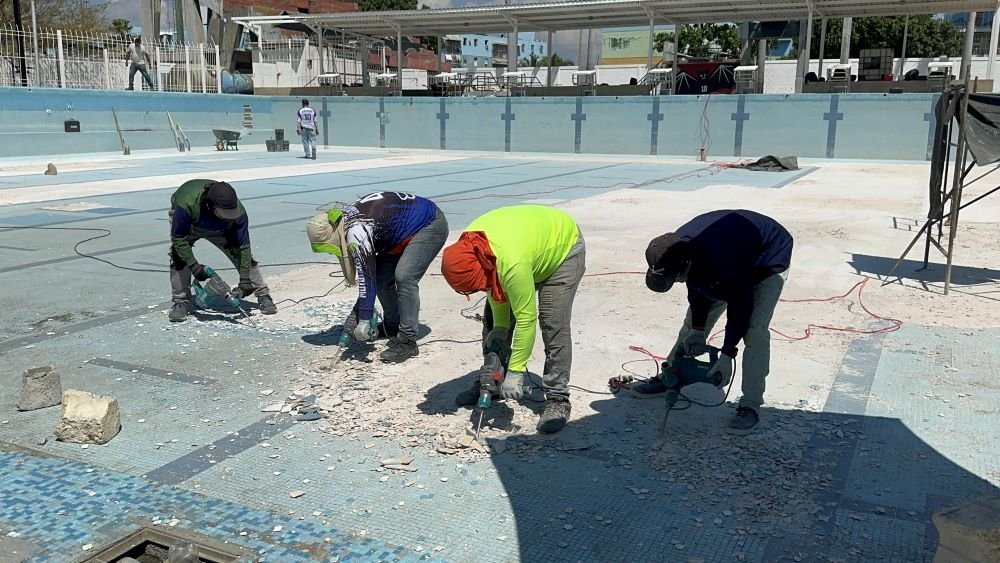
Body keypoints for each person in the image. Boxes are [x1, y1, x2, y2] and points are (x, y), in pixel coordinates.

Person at [632, 210, 793, 434]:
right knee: (690, 326)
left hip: (767, 256)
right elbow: (696, 289)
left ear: (685, 264)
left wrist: (727, 354)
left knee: (754, 331)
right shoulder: (674, 249)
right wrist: (697, 331)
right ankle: (669, 377)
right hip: (728, 249)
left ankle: (751, 405)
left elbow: (740, 307)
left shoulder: (726, 261)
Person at [441, 205, 586, 434]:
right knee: (493, 323)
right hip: (525, 246)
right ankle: (491, 382)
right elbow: (493, 289)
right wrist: (500, 328)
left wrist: (517, 372)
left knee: (552, 323)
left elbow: (526, 319)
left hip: (562, 248)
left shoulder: (511, 263)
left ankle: (558, 398)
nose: (480, 290)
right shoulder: (470, 249)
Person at [306, 192, 448, 363]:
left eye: (331, 249)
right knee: (382, 279)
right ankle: (393, 325)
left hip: (428, 225)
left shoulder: (358, 232)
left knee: (405, 277)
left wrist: (364, 318)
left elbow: (367, 278)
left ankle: (408, 341)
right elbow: (372, 278)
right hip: (400, 232)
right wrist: (359, 313)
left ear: (334, 236)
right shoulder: (346, 221)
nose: (331, 253)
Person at [167, 180, 277, 322]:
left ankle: (263, 294)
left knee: (244, 257)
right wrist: (194, 265)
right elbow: (178, 239)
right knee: (178, 256)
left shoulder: (239, 214)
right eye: (224, 214)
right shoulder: (187, 204)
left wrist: (245, 280)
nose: (228, 216)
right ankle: (180, 301)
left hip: (222, 230)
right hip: (191, 223)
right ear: (210, 205)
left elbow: (243, 248)